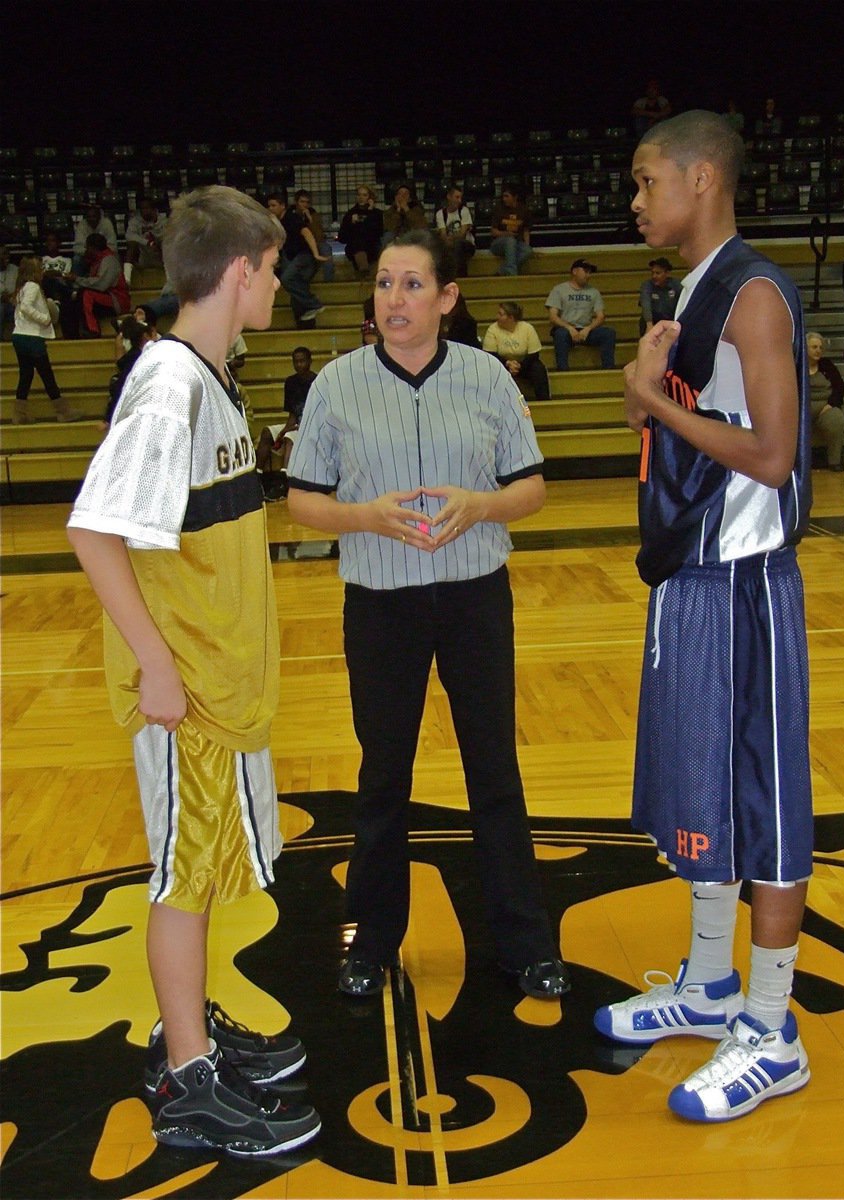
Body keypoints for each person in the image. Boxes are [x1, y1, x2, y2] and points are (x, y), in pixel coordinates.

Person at [66, 185, 321, 1157]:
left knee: (206, 876)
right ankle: (185, 1077)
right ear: (246, 268)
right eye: (272, 269)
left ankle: (193, 1026)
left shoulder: (208, 376)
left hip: (218, 689)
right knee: (182, 880)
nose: (277, 286)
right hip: (184, 698)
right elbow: (94, 531)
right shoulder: (169, 385)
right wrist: (157, 669)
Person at [593, 111, 813, 1124]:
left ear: (699, 176)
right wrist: (649, 399)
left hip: (747, 584)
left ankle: (773, 1027)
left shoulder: (754, 293)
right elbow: (693, 428)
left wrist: (651, 395)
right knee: (703, 791)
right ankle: (711, 985)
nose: (634, 200)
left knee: (762, 801)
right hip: (691, 575)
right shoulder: (689, 290)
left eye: (645, 181)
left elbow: (771, 456)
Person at [286, 229, 570, 1003]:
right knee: (383, 775)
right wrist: (367, 516)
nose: (394, 300)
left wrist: (481, 505)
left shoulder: (486, 378)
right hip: (380, 604)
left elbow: (532, 489)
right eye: (384, 284)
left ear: (448, 298)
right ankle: (370, 942)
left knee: (494, 770)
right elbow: (302, 500)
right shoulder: (337, 386)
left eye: (413, 286)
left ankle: (525, 941)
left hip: (476, 598)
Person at [11, 256, 83, 423]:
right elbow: (25, 307)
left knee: (26, 374)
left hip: (19, 335)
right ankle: (63, 411)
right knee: (46, 374)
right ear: (34, 272)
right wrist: (44, 318)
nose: (42, 272)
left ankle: (19, 413)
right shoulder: (33, 287)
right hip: (31, 337)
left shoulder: (21, 287)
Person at [255, 346, 317, 500]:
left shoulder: (317, 382)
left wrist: (289, 431)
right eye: (296, 362)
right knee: (267, 432)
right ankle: (257, 478)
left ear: (310, 361)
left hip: (310, 427)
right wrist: (283, 430)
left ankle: (283, 482)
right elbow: (292, 413)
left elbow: (319, 416)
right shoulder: (290, 382)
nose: (299, 365)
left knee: (289, 437)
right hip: (295, 424)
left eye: (302, 361)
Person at [265, 192, 328, 327]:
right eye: (269, 206)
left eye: (273, 205)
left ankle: (314, 304)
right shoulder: (279, 222)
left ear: (283, 206)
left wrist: (315, 254)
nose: (271, 208)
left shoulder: (291, 218)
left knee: (287, 279)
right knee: (297, 286)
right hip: (293, 256)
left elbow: (307, 233)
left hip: (303, 255)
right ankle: (304, 319)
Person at [546, 258, 617, 370]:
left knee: (609, 334)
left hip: (586, 330)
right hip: (566, 329)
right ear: (575, 271)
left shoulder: (594, 292)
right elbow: (553, 316)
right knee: (560, 335)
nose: (588, 275)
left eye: (589, 272)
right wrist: (569, 328)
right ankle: (563, 371)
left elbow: (601, 316)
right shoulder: (559, 290)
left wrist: (588, 328)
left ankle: (608, 369)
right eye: (585, 271)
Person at [482, 301, 551, 400]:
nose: (497, 316)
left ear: (511, 317)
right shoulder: (493, 329)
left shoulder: (527, 328)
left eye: (501, 314)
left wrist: (520, 366)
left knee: (538, 368)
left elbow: (534, 354)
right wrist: (507, 363)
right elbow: (490, 354)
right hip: (501, 365)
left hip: (524, 364)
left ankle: (544, 401)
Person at [68, 233, 131, 337]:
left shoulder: (109, 260)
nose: (85, 250)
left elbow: (101, 285)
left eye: (87, 247)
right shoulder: (97, 261)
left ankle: (93, 330)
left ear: (93, 248)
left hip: (117, 300)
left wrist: (77, 279)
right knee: (73, 301)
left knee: (86, 294)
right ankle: (73, 334)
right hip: (106, 297)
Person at [103, 315, 153, 428]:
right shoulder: (136, 360)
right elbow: (120, 387)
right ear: (146, 337)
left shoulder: (138, 358)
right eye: (153, 334)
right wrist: (109, 417)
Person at [806, 330, 844, 471]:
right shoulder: (796, 366)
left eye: (820, 348)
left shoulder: (827, 366)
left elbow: (839, 387)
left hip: (824, 408)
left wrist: (831, 404)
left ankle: (834, 462)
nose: (818, 351)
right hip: (802, 410)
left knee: (836, 419)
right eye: (814, 347)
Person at [338, 185, 384, 278]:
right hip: (355, 247)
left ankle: (364, 272)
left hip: (372, 246)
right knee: (358, 241)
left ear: (370, 197)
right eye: (359, 195)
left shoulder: (376, 213)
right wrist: (351, 224)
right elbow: (342, 237)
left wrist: (370, 212)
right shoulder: (350, 214)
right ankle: (364, 270)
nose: (361, 198)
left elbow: (377, 232)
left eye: (364, 195)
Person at [489, 184, 532, 276]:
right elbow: (493, 231)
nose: (504, 199)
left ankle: (503, 270)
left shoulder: (524, 210)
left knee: (527, 251)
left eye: (507, 196)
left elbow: (526, 230)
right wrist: (506, 234)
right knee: (510, 240)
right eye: (503, 196)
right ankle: (512, 273)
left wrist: (527, 245)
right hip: (499, 243)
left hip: (517, 242)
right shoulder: (499, 209)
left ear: (515, 197)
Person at [435, 185, 476, 278]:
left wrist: (450, 239)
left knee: (458, 245)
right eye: (457, 197)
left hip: (466, 245)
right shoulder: (440, 214)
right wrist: (449, 239)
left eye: (460, 198)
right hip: (449, 245)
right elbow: (443, 235)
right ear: (449, 197)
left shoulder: (464, 211)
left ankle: (460, 276)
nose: (459, 201)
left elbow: (462, 234)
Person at [123, 198, 167, 285]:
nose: (145, 211)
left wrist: (155, 225)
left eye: (147, 208)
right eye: (142, 209)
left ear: (154, 209)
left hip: (159, 256)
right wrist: (146, 242)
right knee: (131, 244)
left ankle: (169, 277)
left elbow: (168, 236)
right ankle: (127, 278)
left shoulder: (163, 221)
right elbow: (129, 236)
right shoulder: (134, 222)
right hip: (142, 257)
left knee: (166, 243)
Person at [295, 189, 333, 282]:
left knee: (326, 248)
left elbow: (318, 234)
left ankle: (329, 282)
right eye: (302, 202)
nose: (305, 205)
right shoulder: (291, 215)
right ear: (296, 202)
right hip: (298, 245)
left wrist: (310, 219)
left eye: (307, 202)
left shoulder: (313, 214)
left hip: (315, 243)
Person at [638, 257, 682, 335]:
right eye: (652, 273)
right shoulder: (647, 285)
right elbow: (646, 304)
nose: (654, 276)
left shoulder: (676, 285)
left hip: (671, 322)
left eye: (658, 273)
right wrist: (649, 325)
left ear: (667, 273)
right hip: (653, 322)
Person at [73, 204, 119, 275]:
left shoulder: (107, 224)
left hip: (104, 255)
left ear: (99, 216)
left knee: (113, 257)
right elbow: (77, 247)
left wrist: (99, 254)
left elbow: (113, 247)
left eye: (94, 216)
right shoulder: (82, 225)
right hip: (88, 256)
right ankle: (77, 284)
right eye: (89, 217)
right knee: (76, 259)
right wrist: (89, 253)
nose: (91, 219)